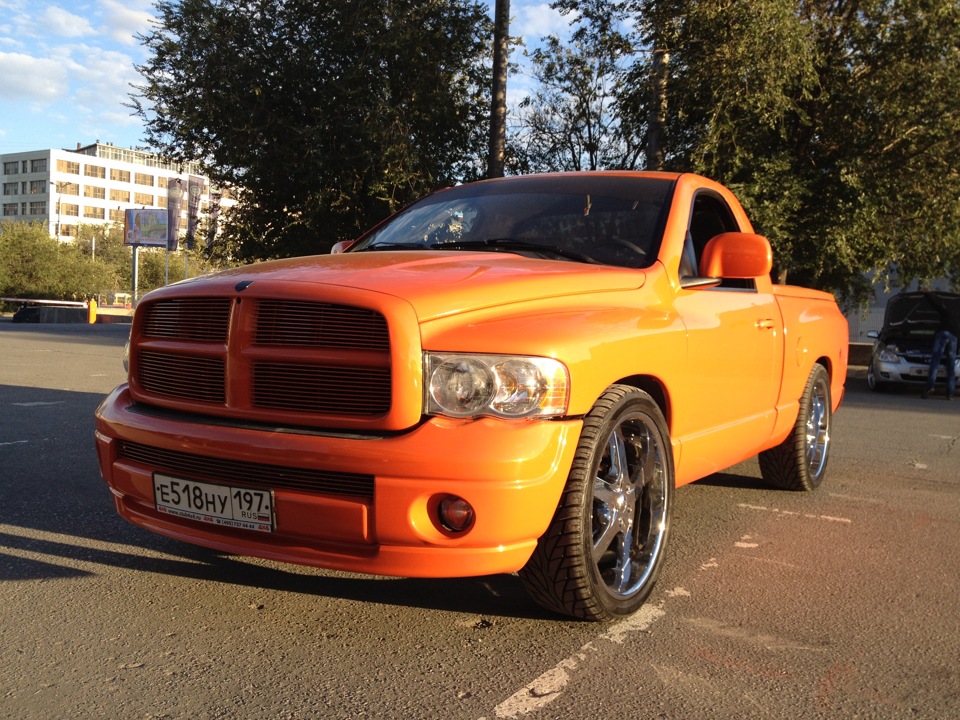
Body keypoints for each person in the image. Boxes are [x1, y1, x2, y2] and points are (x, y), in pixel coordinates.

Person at [921, 291, 958, 400]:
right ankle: (950, 394)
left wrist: (927, 294)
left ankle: (930, 387)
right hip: (954, 336)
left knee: (935, 361)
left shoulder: (946, 309)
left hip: (943, 333)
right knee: (951, 365)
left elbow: (935, 304)